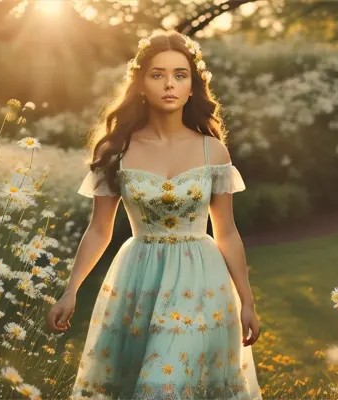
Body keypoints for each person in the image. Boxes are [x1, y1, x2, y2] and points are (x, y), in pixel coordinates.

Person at [46, 29, 262, 400]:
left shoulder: (214, 152)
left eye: (180, 75)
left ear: (192, 87)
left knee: (169, 384)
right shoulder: (116, 151)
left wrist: (247, 301)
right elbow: (99, 230)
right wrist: (71, 290)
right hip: (139, 279)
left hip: (202, 282)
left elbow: (227, 232)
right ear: (141, 84)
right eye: (157, 74)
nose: (169, 84)